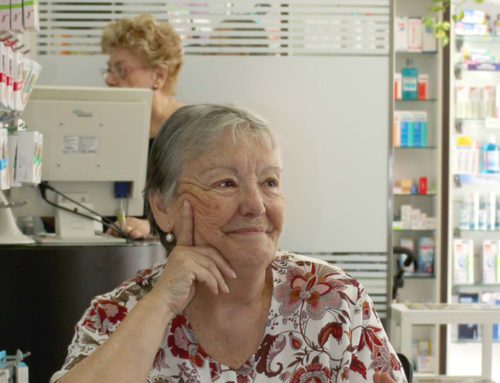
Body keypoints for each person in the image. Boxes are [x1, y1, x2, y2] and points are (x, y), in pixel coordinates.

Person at [50, 104, 407, 383]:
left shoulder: (333, 301)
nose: (256, 206)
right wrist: (160, 305)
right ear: (161, 206)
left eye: (269, 182)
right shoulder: (119, 314)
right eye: (225, 184)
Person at [101, 13, 184, 239]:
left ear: (158, 76)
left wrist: (152, 227)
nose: (109, 79)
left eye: (121, 70)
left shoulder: (189, 132)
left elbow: (206, 210)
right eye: (109, 69)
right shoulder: (108, 127)